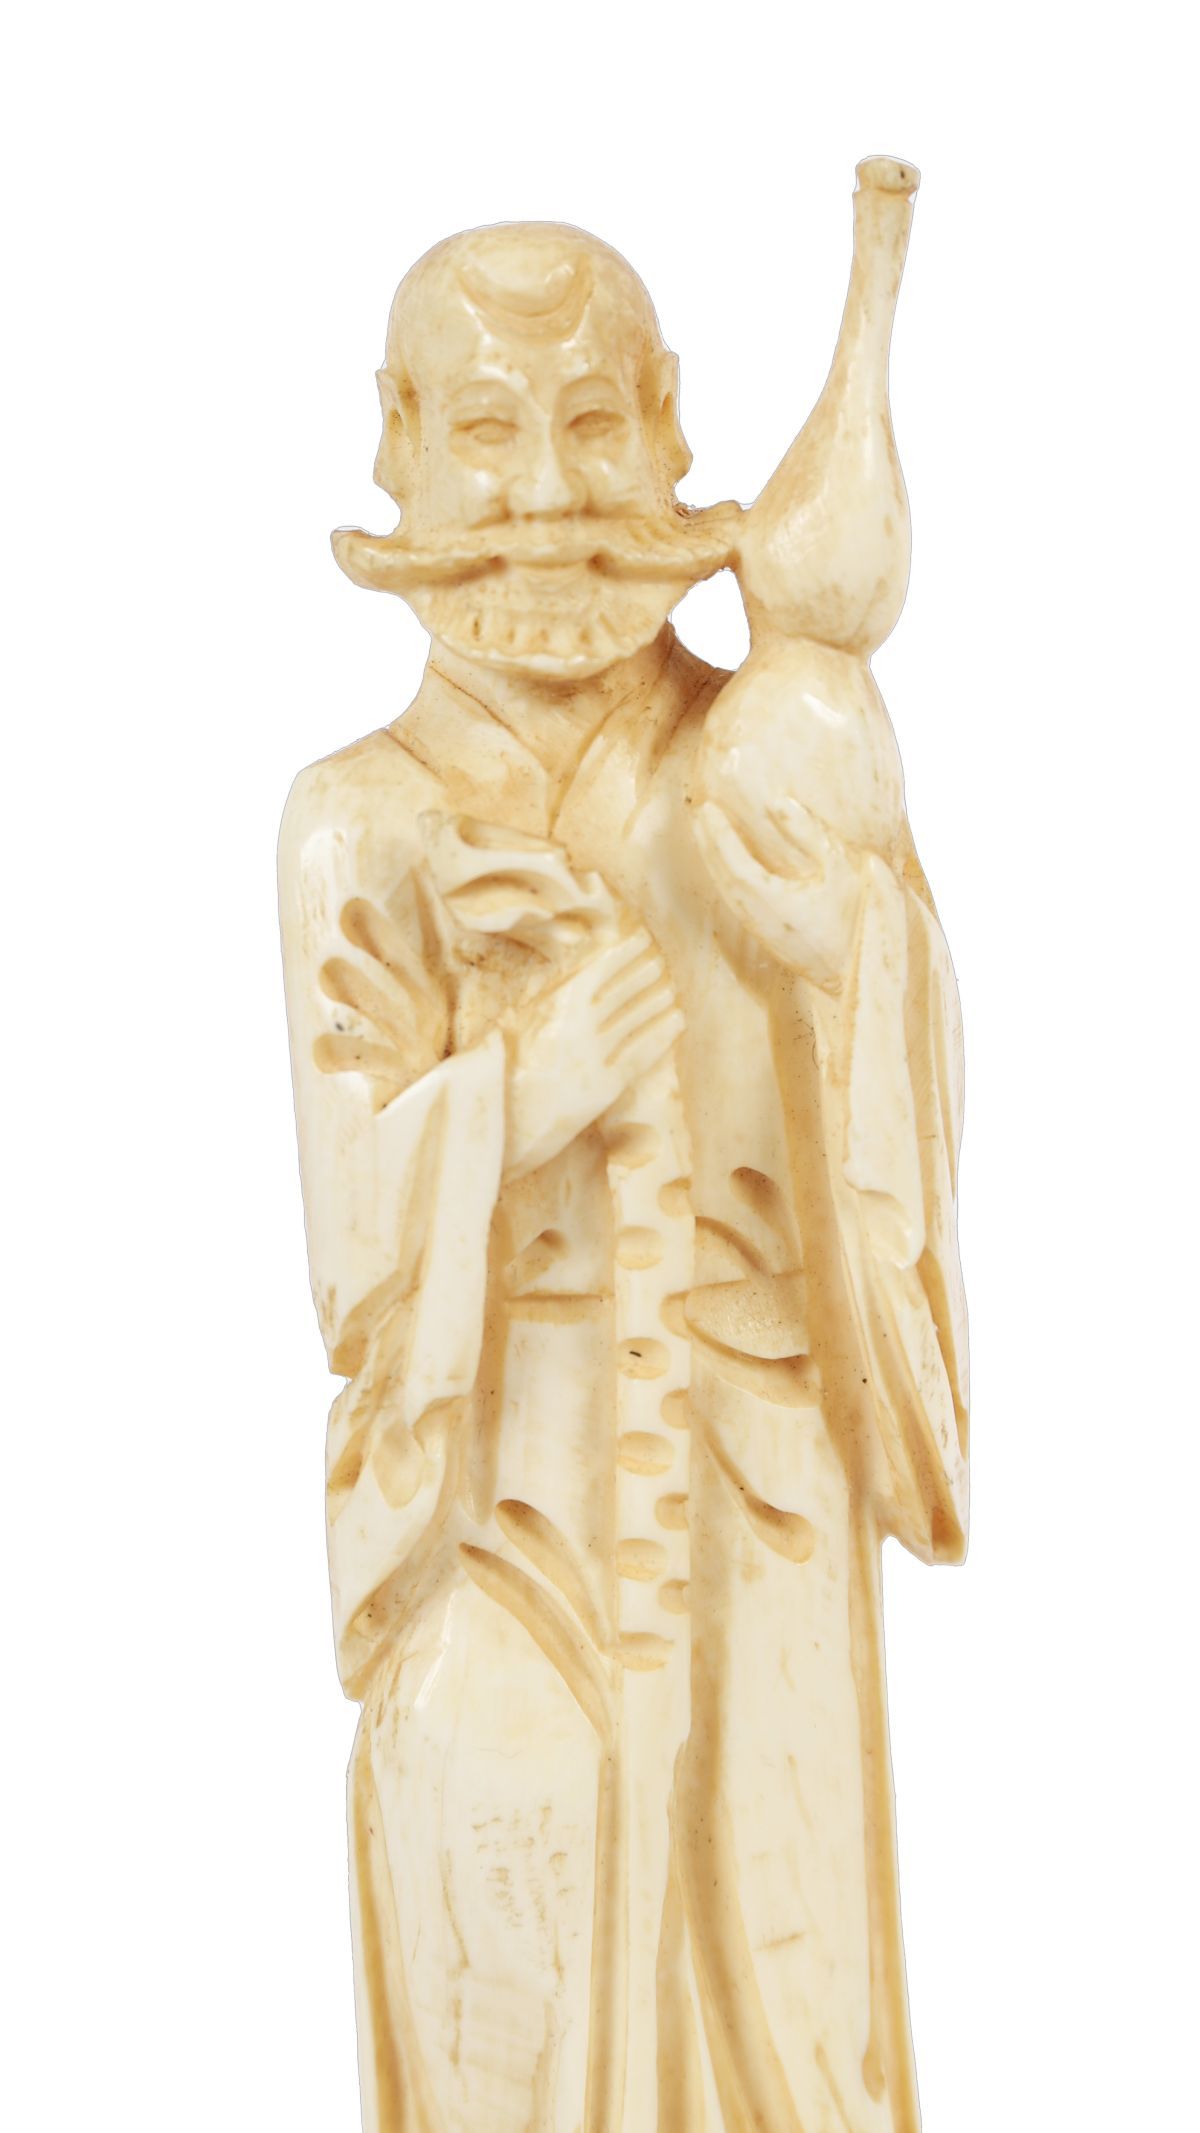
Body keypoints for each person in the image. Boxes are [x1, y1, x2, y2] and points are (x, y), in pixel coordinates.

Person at [280, 176, 967, 2133]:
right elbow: (352, 1244)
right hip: (505, 1495)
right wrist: (518, 1093)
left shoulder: (772, 757)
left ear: (671, 426)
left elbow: (901, 1083)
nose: (539, 497)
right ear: (400, 448)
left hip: (761, 1486)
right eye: (485, 432)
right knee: (513, 1974)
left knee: (794, 2011)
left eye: (592, 424)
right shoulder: (358, 825)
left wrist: (850, 964)